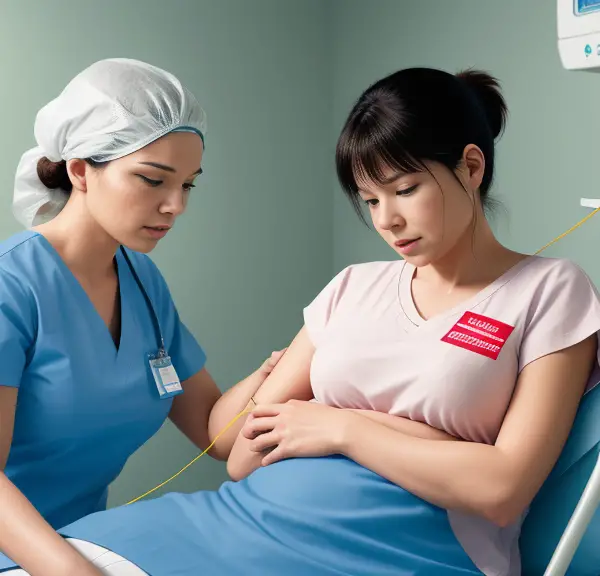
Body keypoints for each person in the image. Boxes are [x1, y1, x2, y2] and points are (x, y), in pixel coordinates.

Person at [2, 66, 600, 576]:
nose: (387, 220)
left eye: (407, 189)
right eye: (370, 200)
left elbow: (499, 489)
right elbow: (240, 456)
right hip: (188, 530)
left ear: (471, 167)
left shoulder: (547, 290)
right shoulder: (351, 288)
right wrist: (423, 440)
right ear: (80, 171)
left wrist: (339, 426)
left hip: (385, 550)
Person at [0, 58, 285, 576]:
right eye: (153, 180)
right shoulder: (11, 287)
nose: (175, 205)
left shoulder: (142, 281)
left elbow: (214, 433)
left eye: (189, 185)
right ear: (81, 169)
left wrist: (289, 364)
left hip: (89, 547)